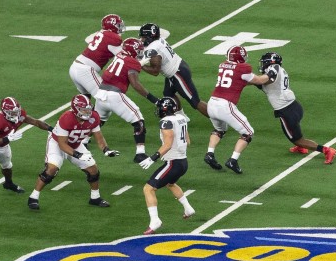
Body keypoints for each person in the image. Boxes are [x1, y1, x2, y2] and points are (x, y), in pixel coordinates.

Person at [27, 94, 120, 210]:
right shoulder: (66, 118)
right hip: (57, 143)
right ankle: (33, 197)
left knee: (93, 170)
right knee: (51, 169)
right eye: (84, 110)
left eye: (88, 109)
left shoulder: (94, 117)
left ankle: (95, 198)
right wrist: (78, 155)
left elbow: (99, 137)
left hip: (75, 144)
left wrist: (106, 150)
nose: (87, 112)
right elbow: (62, 144)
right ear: (76, 109)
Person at [254, 52, 336, 164]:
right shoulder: (279, 70)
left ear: (271, 62)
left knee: (297, 140)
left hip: (286, 111)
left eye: (264, 62)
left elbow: (265, 80)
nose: (262, 65)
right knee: (295, 131)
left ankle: (326, 150)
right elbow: (260, 83)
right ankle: (301, 148)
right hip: (295, 107)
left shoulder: (274, 67)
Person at [0, 97, 53, 210]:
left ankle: (8, 183)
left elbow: (35, 122)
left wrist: (51, 129)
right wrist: (6, 139)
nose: (15, 114)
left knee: (7, 166)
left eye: (16, 111)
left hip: (4, 146)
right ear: (5, 112)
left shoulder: (20, 114)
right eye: (12, 112)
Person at [97, 37, 161, 162]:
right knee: (138, 120)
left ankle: (81, 141)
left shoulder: (120, 54)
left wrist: (138, 64)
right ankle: (140, 153)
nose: (140, 53)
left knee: (97, 122)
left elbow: (125, 64)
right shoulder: (132, 62)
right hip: (114, 95)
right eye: (138, 50)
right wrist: (155, 100)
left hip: (101, 93)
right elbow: (135, 84)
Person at [138, 98, 196, 234]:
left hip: (173, 163)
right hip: (183, 162)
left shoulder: (166, 122)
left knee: (148, 189)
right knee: (170, 183)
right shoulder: (181, 118)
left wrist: (152, 158)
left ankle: (155, 220)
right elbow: (188, 141)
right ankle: (188, 208)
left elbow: (168, 144)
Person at [205, 46, 265, 174]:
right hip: (225, 105)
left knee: (219, 130)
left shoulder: (223, 65)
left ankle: (210, 153)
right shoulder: (243, 68)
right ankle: (233, 160)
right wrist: (271, 75)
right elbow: (259, 80)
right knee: (248, 132)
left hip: (212, 103)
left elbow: (236, 80)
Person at [138, 23, 207, 117]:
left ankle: (219, 122)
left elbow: (155, 71)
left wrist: (139, 65)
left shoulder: (154, 48)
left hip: (177, 74)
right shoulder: (158, 40)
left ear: (150, 36)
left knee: (195, 102)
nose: (142, 39)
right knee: (168, 94)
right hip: (179, 67)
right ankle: (181, 117)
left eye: (143, 37)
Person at [70, 14, 124, 98]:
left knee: (85, 99)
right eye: (118, 25)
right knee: (105, 98)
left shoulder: (100, 33)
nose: (120, 27)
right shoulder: (114, 38)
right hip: (86, 70)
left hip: (75, 67)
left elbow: (88, 39)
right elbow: (124, 56)